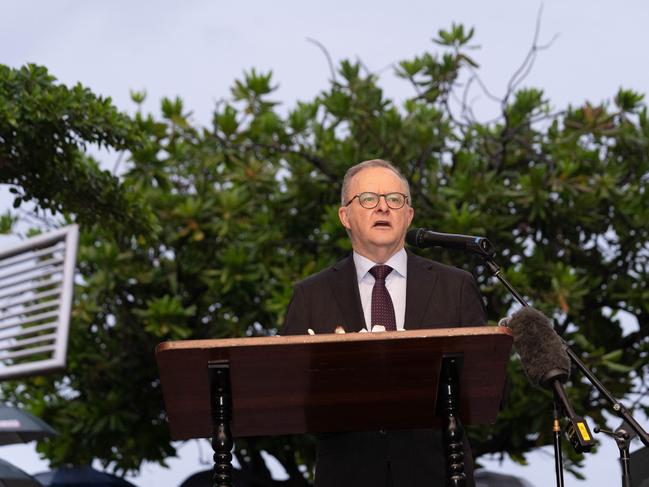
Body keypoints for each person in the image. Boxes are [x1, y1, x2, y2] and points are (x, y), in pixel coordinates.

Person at [284, 159, 487, 487]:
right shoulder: (310, 295)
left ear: (409, 216)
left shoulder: (455, 286)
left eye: (395, 200)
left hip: (439, 473)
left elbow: (489, 388)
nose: (383, 208)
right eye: (368, 199)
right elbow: (288, 396)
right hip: (347, 474)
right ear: (344, 216)